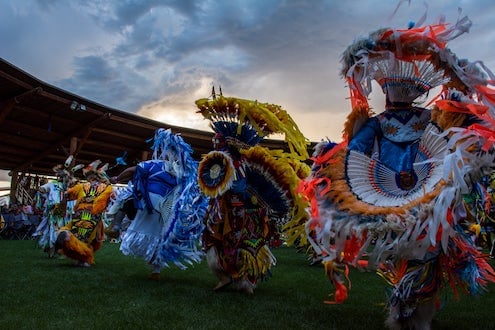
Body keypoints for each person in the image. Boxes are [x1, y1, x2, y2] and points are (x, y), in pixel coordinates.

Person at [300, 14, 495, 329]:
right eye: (396, 89)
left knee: (426, 250)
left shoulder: (429, 120)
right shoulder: (386, 123)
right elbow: (354, 155)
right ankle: (410, 309)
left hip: (426, 191)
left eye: (403, 89)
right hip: (386, 193)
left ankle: (413, 311)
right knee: (412, 250)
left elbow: (454, 139)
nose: (398, 94)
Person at [196, 90, 310, 294]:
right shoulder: (235, 162)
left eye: (217, 142)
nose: (215, 144)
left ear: (225, 144)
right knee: (227, 243)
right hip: (240, 210)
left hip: (239, 211)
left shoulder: (239, 163)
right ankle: (239, 280)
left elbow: (235, 188)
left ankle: (239, 279)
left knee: (234, 243)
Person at [112, 128, 208, 280]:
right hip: (167, 208)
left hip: (149, 203)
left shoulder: (153, 164)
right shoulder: (183, 173)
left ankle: (116, 225)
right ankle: (156, 269)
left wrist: (117, 179)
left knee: (126, 195)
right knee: (162, 236)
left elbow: (131, 170)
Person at [55, 160, 113, 267]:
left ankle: (79, 255)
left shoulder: (81, 186)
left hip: (79, 214)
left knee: (82, 236)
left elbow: (67, 194)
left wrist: (62, 208)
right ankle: (72, 243)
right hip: (93, 215)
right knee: (87, 238)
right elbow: (112, 201)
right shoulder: (107, 188)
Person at [34, 156, 81, 257]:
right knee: (54, 230)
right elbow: (41, 189)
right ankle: (52, 250)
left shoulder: (71, 187)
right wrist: (41, 191)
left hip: (67, 213)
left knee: (65, 231)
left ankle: (61, 250)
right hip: (55, 211)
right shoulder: (53, 184)